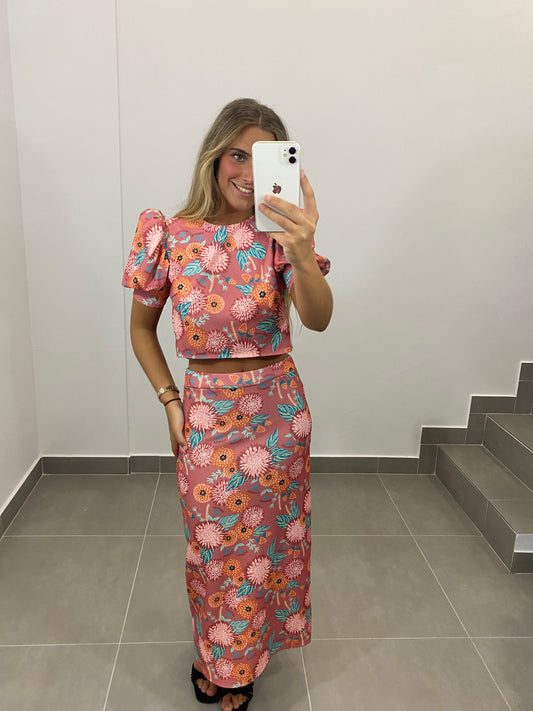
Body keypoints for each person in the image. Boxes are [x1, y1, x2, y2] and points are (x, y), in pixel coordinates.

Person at [122, 98, 332, 711]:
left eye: (262, 159)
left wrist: (302, 247)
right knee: (214, 549)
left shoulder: (279, 238)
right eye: (237, 154)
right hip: (207, 415)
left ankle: (243, 663)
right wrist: (170, 401)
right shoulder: (168, 233)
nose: (246, 172)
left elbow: (318, 318)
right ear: (214, 157)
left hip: (277, 414)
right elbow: (140, 329)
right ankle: (217, 655)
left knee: (267, 547)